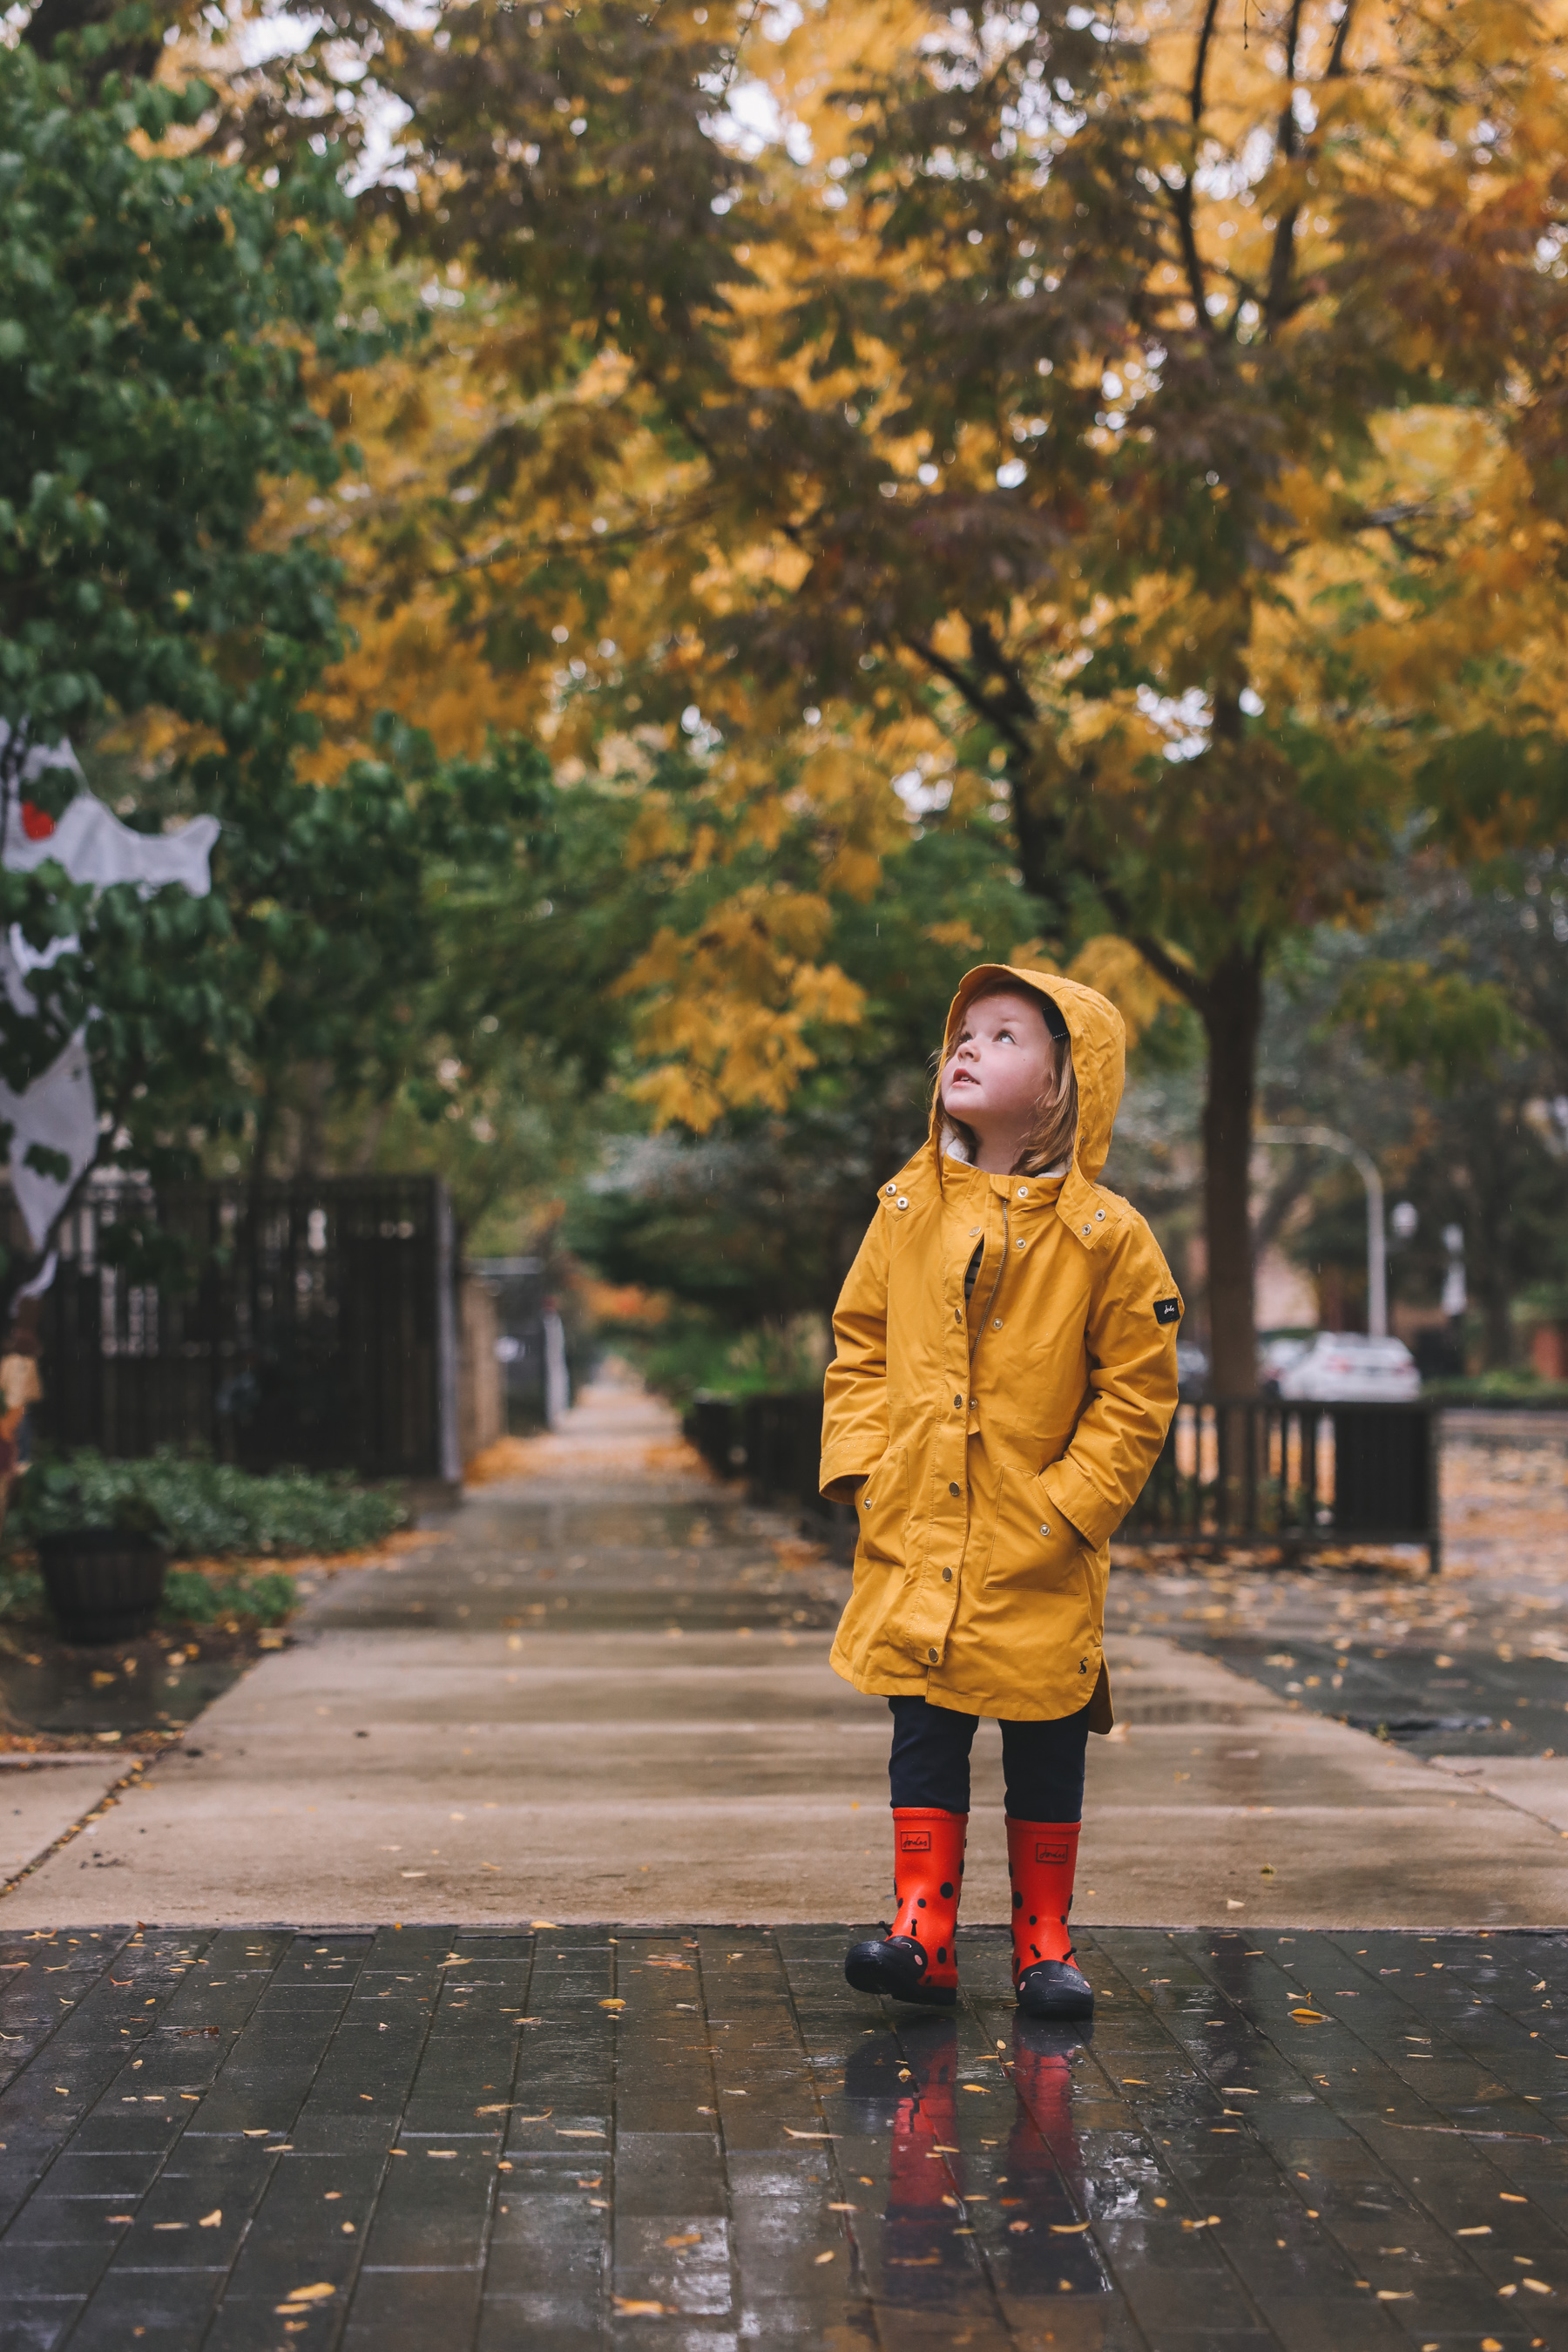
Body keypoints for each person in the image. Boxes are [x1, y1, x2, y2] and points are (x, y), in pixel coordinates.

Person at [820, 963, 1182, 2020]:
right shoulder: (907, 1207)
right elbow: (862, 1340)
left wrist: (1069, 1507)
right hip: (922, 1525)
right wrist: (867, 1467)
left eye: (1003, 1036)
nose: (966, 1050)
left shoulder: (1108, 1236)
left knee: (1044, 1728)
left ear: (1066, 1085)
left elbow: (1136, 1391)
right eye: (961, 1036)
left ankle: (1043, 1940)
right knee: (924, 1721)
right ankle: (921, 1928)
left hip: (1038, 1538)